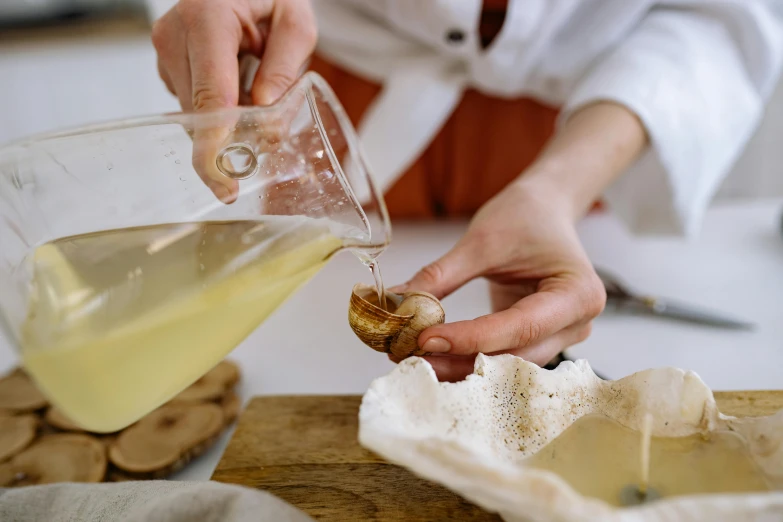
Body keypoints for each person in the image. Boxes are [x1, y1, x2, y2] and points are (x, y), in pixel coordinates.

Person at [149, 0, 783, 381]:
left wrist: (555, 192)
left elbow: (724, 15)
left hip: (581, 122)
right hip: (329, 93)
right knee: (289, 351)